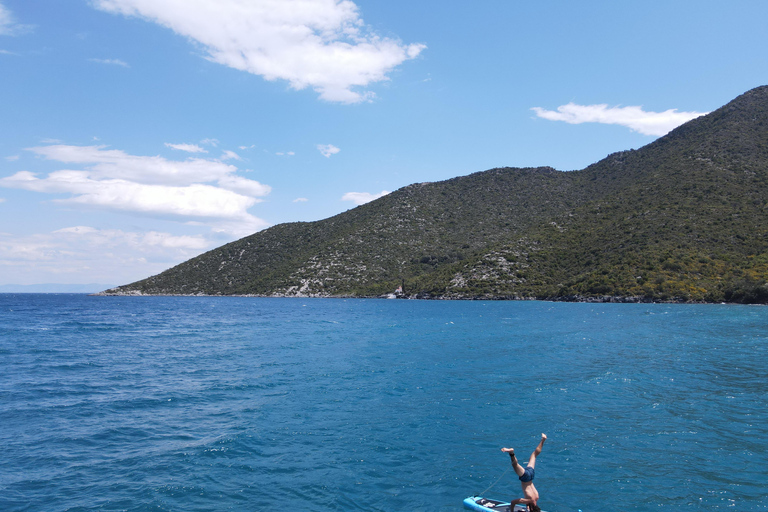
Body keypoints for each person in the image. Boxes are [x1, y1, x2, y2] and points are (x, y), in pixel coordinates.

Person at [501, 433, 547, 512]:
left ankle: (543, 440)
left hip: (531, 475)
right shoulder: (528, 500)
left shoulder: (536, 497)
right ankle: (511, 452)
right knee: (515, 465)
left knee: (534, 455)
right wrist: (512, 511)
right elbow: (513, 502)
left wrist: (528, 508)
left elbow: (530, 501)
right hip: (525, 477)